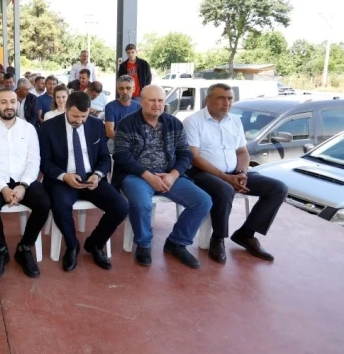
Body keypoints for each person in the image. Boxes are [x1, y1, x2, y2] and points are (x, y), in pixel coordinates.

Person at [183, 83, 287, 263]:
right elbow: (195, 158)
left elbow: (242, 152)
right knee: (224, 189)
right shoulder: (193, 121)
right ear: (208, 100)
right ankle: (218, 238)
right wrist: (226, 178)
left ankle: (246, 234)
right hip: (202, 173)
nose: (227, 103)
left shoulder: (235, 121)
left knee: (278, 188)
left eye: (230, 98)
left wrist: (242, 174)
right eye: (221, 98)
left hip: (234, 173)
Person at [113, 85, 212, 269]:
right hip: (137, 175)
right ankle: (144, 244)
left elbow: (185, 154)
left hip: (168, 175)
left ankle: (177, 242)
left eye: (160, 100)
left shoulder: (173, 123)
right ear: (141, 102)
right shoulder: (127, 123)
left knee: (203, 201)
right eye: (152, 100)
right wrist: (148, 176)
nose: (157, 104)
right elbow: (121, 156)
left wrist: (173, 175)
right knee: (141, 203)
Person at [39, 92, 128, 271]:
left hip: (91, 177)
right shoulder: (48, 127)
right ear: (66, 108)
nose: (79, 121)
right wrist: (64, 176)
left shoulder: (95, 125)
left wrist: (98, 175)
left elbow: (104, 157)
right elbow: (44, 162)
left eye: (83, 116)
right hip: (62, 178)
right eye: (75, 116)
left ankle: (95, 243)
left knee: (121, 206)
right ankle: (72, 246)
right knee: (60, 206)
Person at [0, 88, 51, 278]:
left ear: (17, 104)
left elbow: (34, 161)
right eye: (3, 102)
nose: (9, 106)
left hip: (24, 179)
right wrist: (3, 188)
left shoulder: (28, 129)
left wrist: (24, 185)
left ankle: (24, 247)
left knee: (44, 202)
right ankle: (1, 248)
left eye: (12, 101)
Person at [104, 75, 141, 153]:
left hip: (135, 143)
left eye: (128, 88)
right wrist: (127, 143)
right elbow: (109, 132)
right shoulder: (110, 107)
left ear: (134, 89)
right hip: (116, 141)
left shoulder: (138, 106)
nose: (125, 91)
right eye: (121, 88)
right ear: (117, 90)